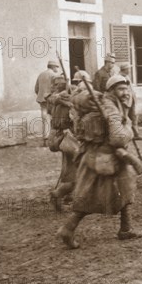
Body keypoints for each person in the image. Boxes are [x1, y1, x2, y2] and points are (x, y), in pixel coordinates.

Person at [57, 74, 142, 249]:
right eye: (120, 89)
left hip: (97, 155)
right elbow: (118, 138)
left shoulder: (108, 104)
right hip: (107, 157)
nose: (125, 92)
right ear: (111, 90)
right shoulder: (110, 107)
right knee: (92, 196)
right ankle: (68, 229)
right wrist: (128, 128)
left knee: (124, 189)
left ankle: (126, 228)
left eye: (126, 88)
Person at [47, 75, 79, 211]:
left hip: (58, 136)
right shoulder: (70, 100)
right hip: (67, 137)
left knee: (69, 167)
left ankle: (69, 196)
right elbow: (76, 122)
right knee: (78, 166)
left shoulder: (55, 99)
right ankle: (58, 194)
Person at [34, 59, 60, 146]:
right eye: (56, 67)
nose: (57, 68)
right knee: (54, 119)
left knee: (44, 119)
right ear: (53, 67)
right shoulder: (54, 75)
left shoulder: (41, 74)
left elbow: (36, 89)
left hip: (42, 100)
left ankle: (45, 139)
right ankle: (52, 139)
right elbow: (58, 89)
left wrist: (41, 95)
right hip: (51, 100)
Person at [119, 63, 142, 140]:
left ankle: (136, 134)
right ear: (125, 69)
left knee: (134, 117)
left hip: (131, 100)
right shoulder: (119, 78)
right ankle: (122, 135)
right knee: (124, 118)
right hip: (125, 101)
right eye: (129, 69)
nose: (130, 70)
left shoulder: (127, 77)